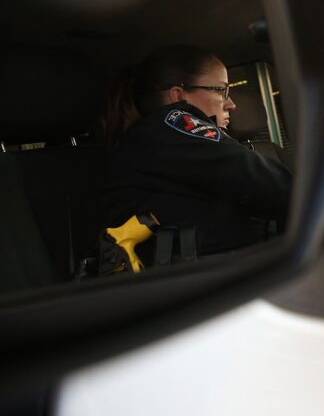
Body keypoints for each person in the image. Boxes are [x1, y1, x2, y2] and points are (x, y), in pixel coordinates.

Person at [100, 45, 292, 261]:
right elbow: (268, 183)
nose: (231, 104)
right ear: (179, 97)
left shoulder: (157, 140)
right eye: (222, 90)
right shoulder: (169, 125)